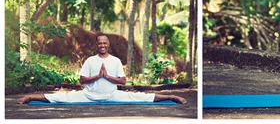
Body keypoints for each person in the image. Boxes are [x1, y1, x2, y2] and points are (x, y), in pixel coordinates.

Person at [17, 34, 187, 104]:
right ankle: (31, 96)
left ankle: (171, 96)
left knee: (141, 97)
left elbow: (123, 81)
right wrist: (98, 76)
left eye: (105, 43)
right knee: (62, 98)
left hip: (112, 95)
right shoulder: (90, 60)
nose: (103, 45)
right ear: (97, 45)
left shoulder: (115, 61)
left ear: (108, 45)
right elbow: (81, 81)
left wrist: (107, 77)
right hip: (88, 96)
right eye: (100, 43)